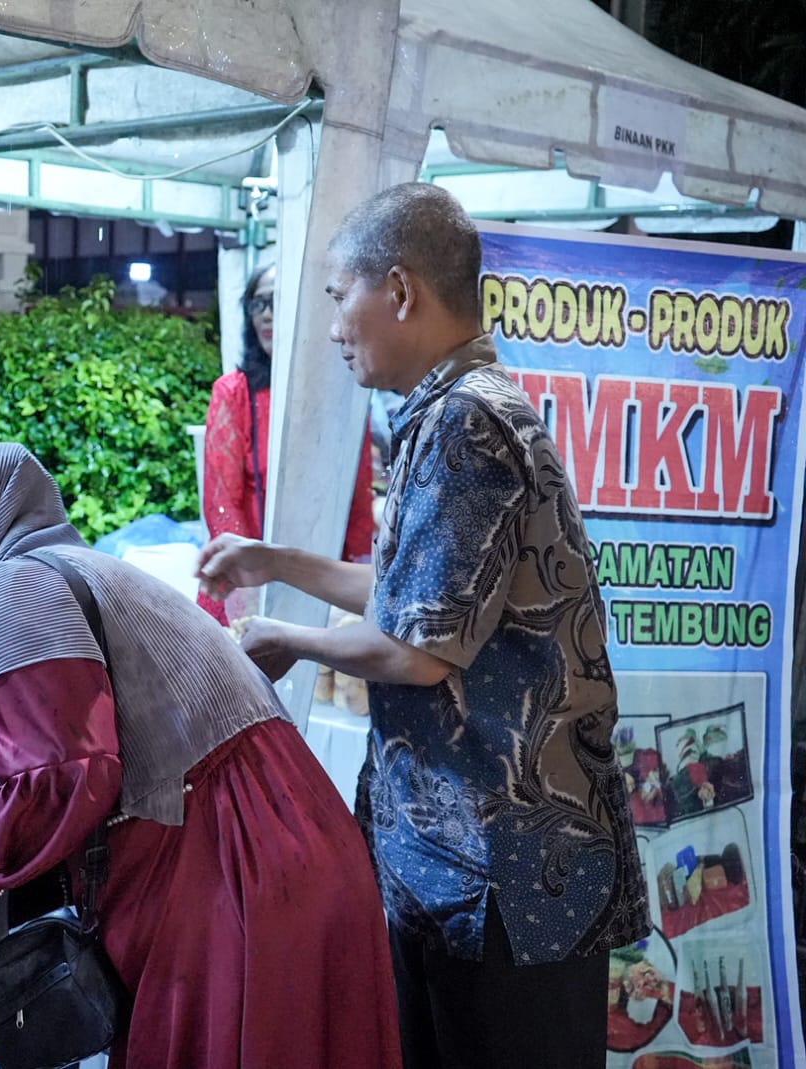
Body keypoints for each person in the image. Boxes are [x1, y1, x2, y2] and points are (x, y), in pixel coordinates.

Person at [198, 183, 650, 1069]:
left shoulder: (466, 419)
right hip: (473, 869)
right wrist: (275, 560)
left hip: (511, 872)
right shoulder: (452, 406)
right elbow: (419, 594)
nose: (331, 327)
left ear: (400, 292)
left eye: (337, 297)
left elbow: (420, 650)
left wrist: (285, 640)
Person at [0, 443, 403, 1069]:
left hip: (234, 862)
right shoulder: (53, 571)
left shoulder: (18, 588)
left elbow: (60, 782)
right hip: (267, 843)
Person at [198, 262, 375, 624]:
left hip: (324, 577)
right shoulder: (235, 392)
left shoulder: (341, 394)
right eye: (258, 304)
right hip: (249, 581)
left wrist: (357, 567)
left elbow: (356, 494)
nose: (266, 315)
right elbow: (221, 501)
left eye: (277, 302)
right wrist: (245, 573)